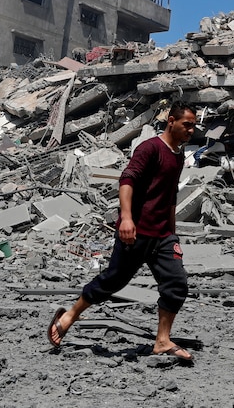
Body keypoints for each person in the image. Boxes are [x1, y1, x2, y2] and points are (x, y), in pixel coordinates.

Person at [47, 102, 197, 362]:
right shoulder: (150, 148)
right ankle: (70, 315)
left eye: (194, 126)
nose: (191, 130)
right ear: (171, 121)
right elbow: (127, 180)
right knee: (113, 281)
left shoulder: (178, 155)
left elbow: (170, 197)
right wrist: (126, 219)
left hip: (162, 235)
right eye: (187, 125)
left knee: (176, 283)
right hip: (136, 231)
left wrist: (173, 236)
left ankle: (162, 341)